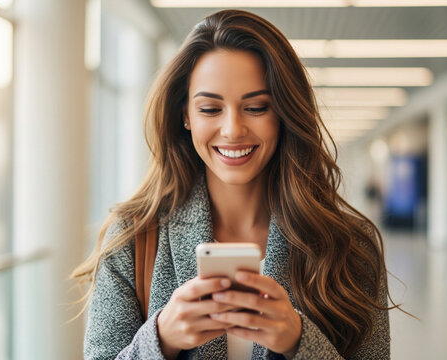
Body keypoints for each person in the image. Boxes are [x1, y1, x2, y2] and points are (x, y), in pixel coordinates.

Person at [73, 9, 392, 359]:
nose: (233, 130)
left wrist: (299, 342)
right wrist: (161, 338)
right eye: (210, 109)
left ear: (284, 113)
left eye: (256, 107)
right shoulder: (133, 238)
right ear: (185, 115)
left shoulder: (351, 246)